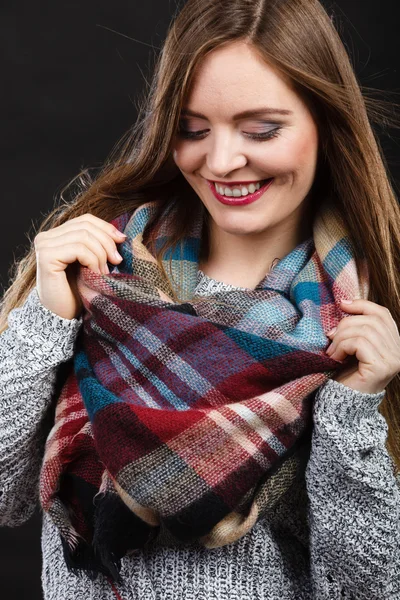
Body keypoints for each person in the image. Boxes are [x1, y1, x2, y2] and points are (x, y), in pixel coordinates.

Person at [1, 0, 400, 598]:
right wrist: (44, 322)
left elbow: (366, 588)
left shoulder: (366, 324)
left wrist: (352, 411)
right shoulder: (96, 266)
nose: (220, 161)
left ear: (325, 121)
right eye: (192, 130)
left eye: (261, 130)